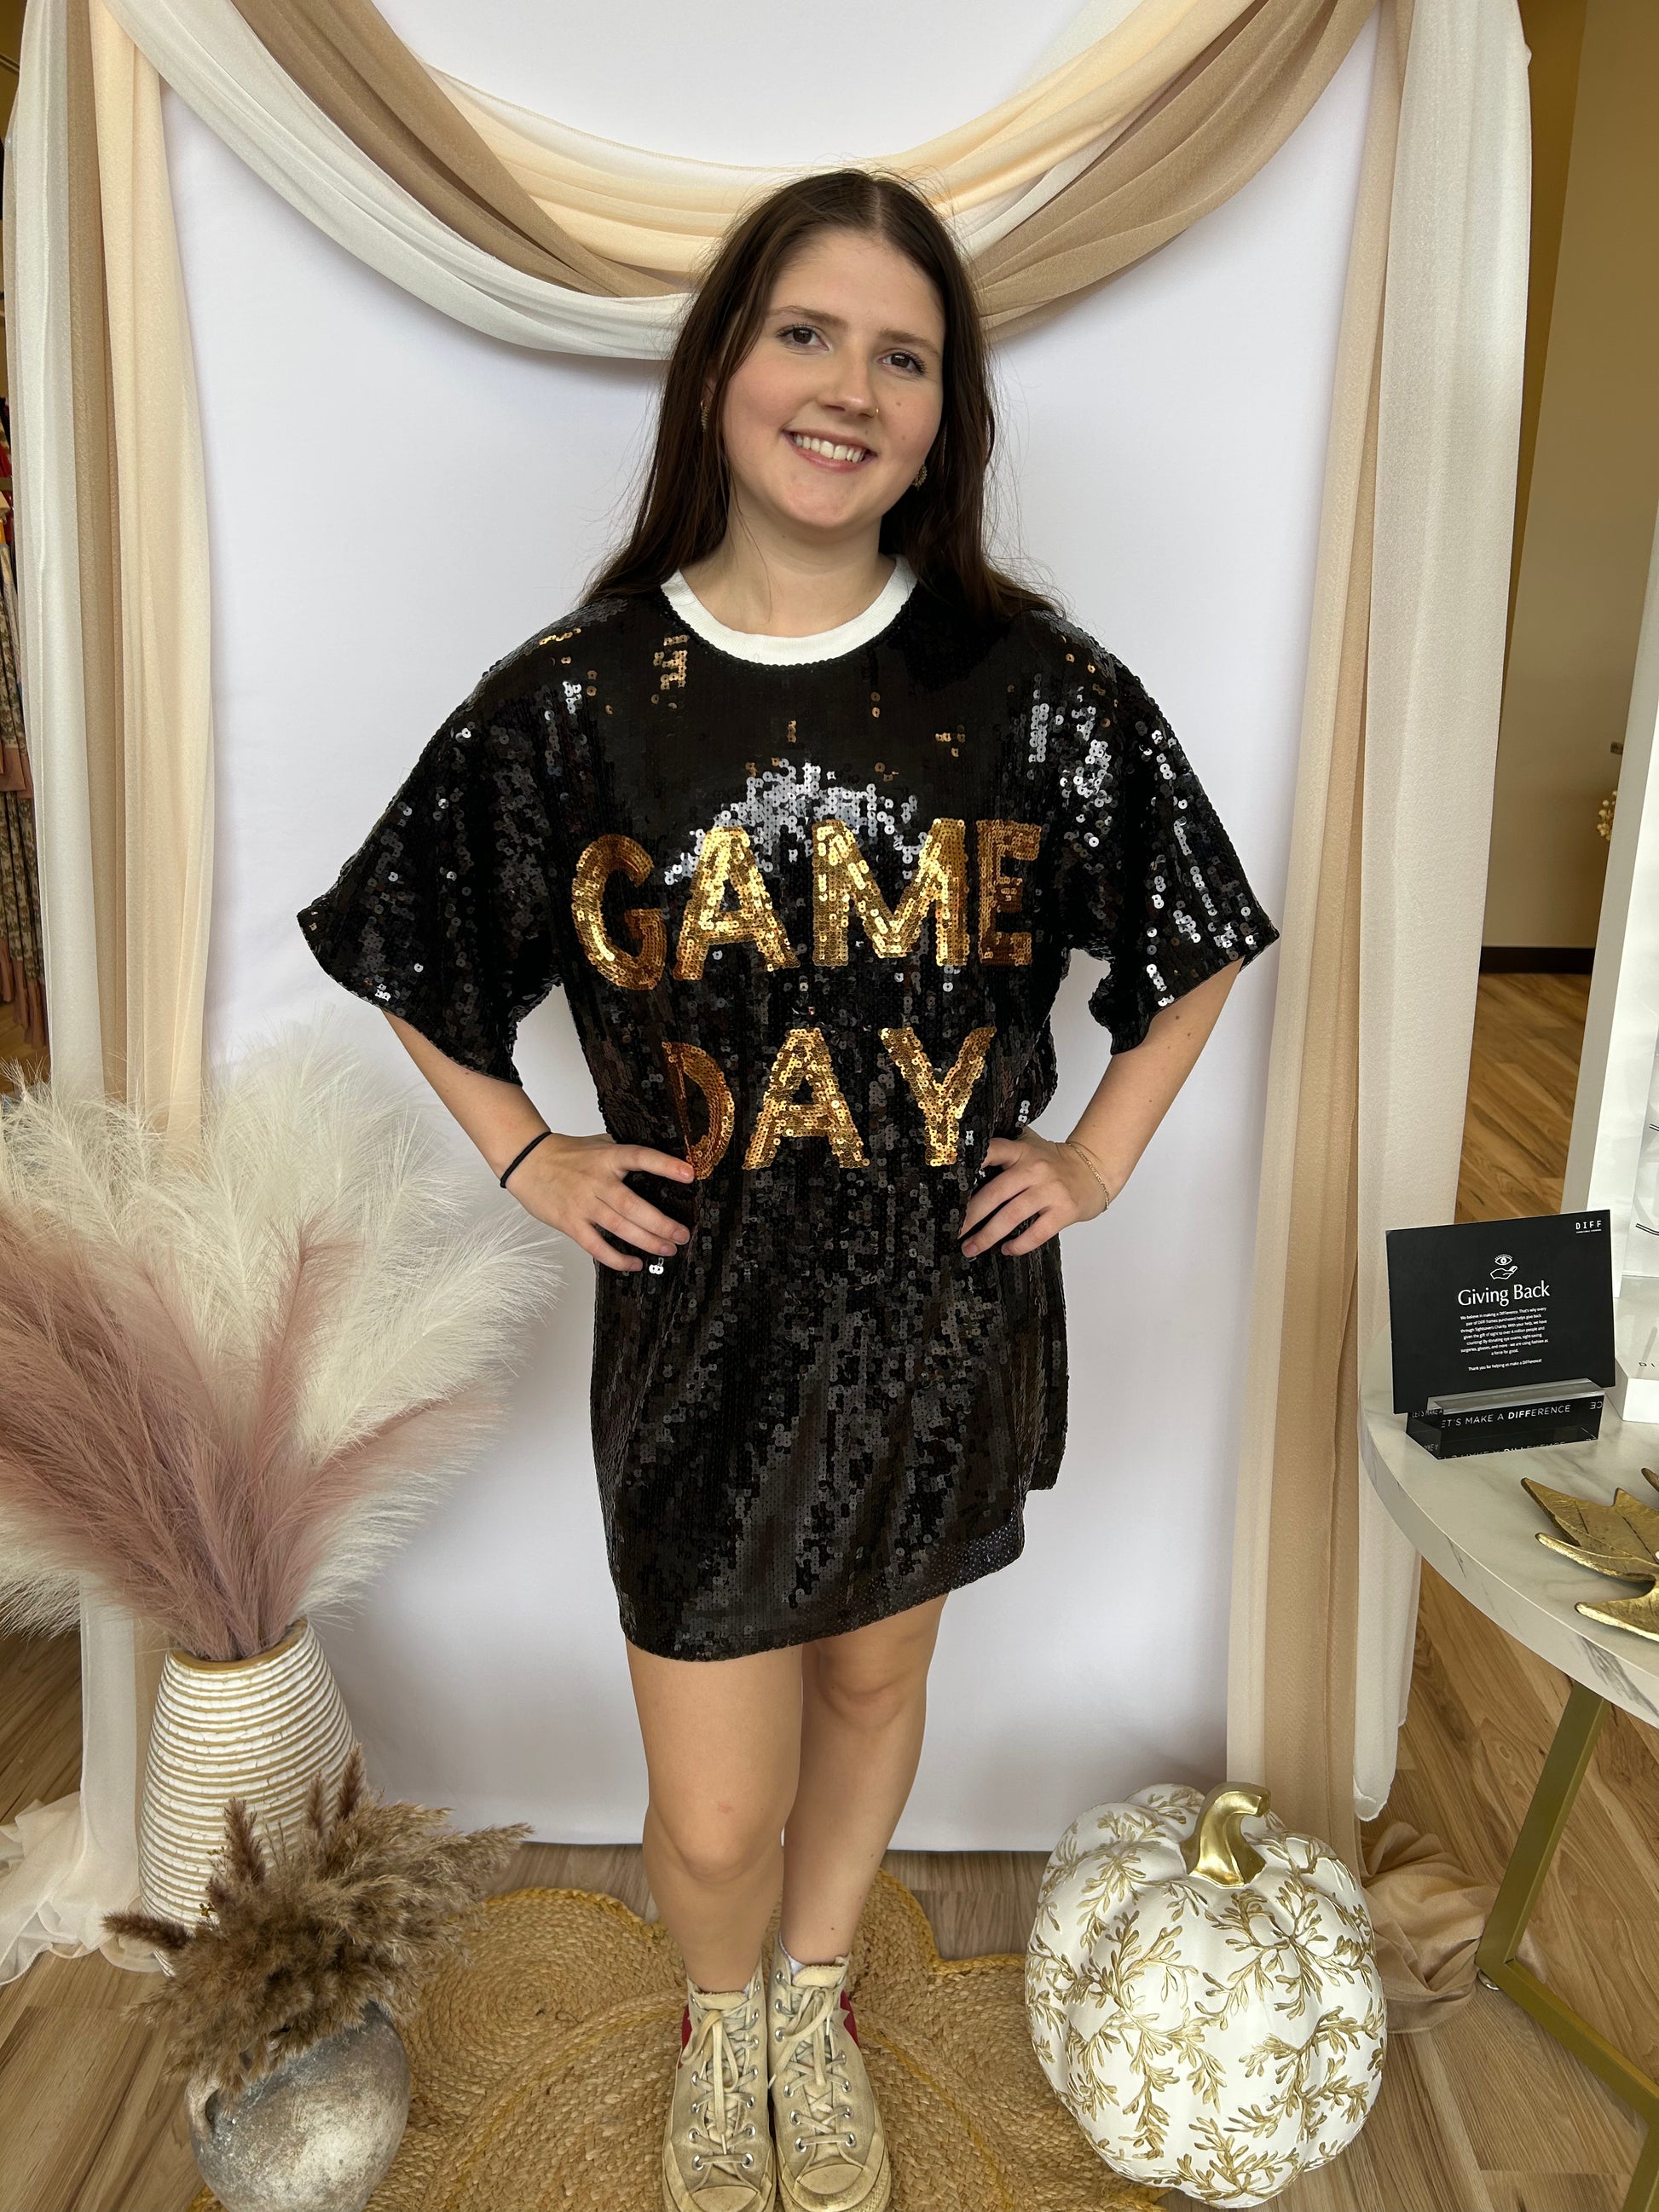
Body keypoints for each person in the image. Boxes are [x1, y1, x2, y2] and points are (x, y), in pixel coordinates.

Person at [297, 165, 1280, 2212]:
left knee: (875, 1680)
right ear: (725, 368)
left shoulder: (1025, 691)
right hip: (698, 1333)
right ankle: (715, 2002)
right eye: (808, 335)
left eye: (903, 355)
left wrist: (1093, 1152)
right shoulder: (573, 701)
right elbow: (410, 941)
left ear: (945, 410)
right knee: (714, 1805)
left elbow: (1193, 941)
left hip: (937, 1317)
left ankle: (806, 2015)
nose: (851, 388)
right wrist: (527, 1146)